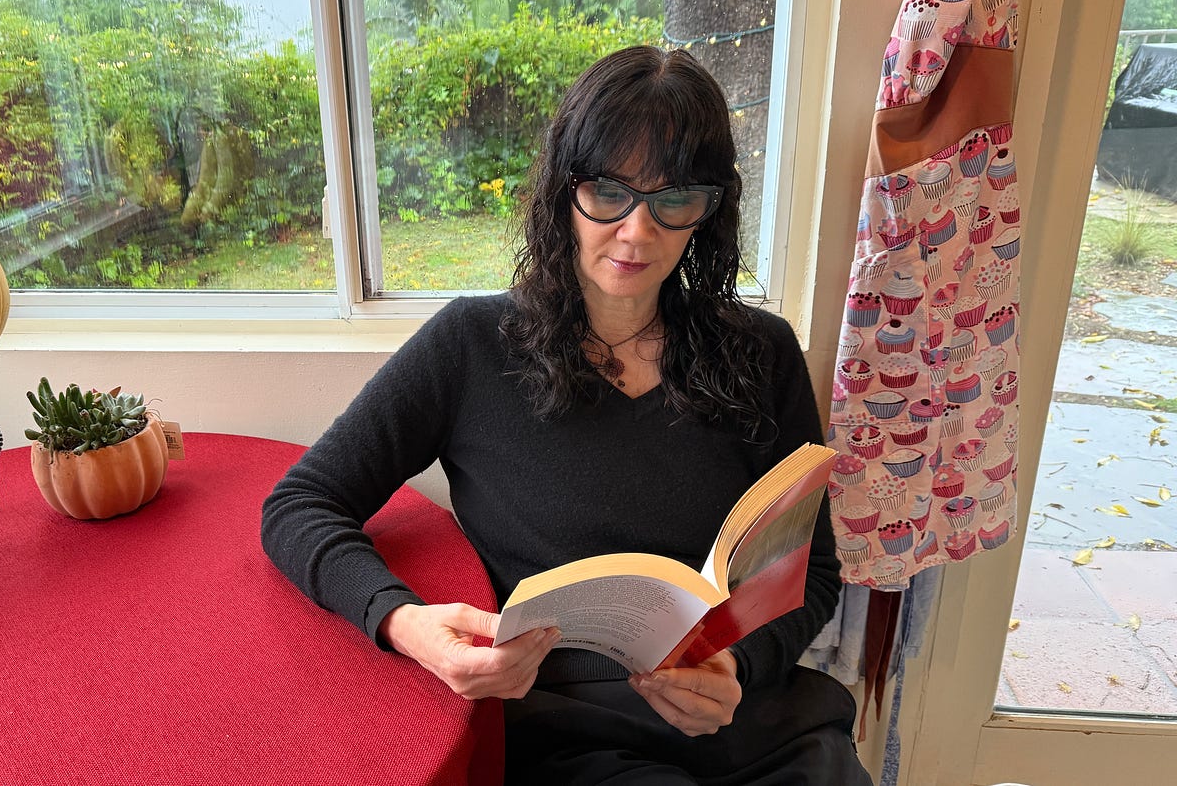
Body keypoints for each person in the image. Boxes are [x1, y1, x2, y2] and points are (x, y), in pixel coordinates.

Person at [262, 45, 871, 784]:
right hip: (567, 726)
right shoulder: (471, 347)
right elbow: (298, 504)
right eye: (609, 192)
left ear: (709, 211)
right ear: (564, 190)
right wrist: (403, 621)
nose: (638, 232)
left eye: (674, 198)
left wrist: (738, 663)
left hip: (743, 718)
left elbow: (813, 572)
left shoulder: (761, 352)